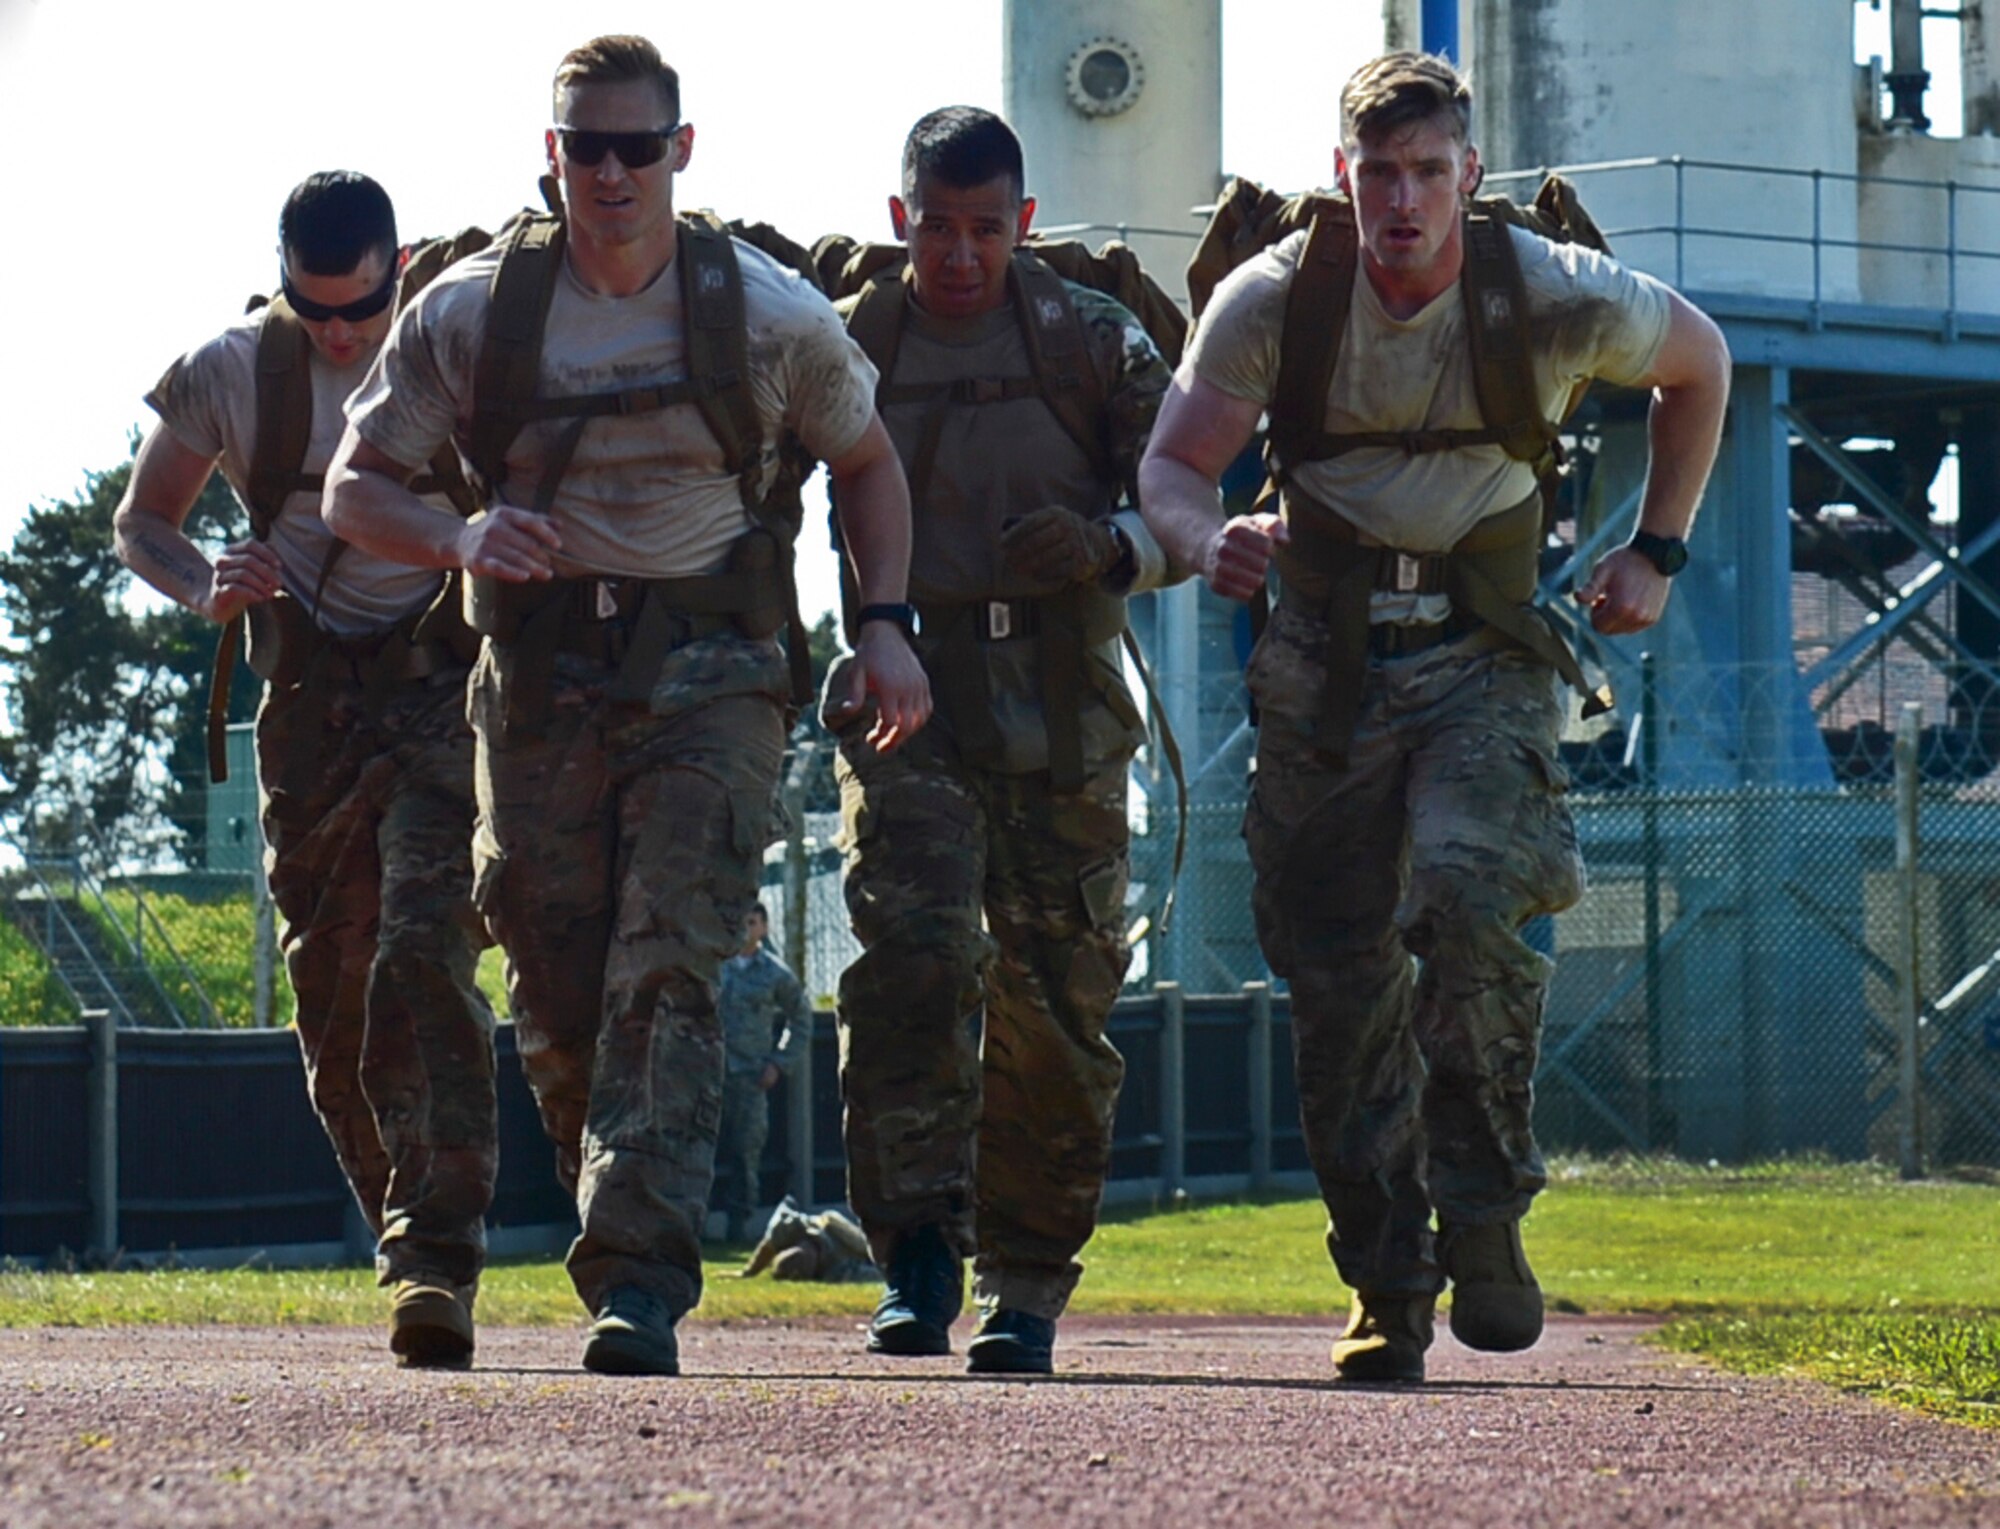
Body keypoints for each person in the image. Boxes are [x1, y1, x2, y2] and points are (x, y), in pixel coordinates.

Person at [323, 34, 929, 1377]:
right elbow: (356, 486)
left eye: (634, 147)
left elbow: (869, 463)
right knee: (556, 987)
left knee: (674, 961)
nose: (609, 171)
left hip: (713, 669)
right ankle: (604, 1197)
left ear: (680, 152)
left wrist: (884, 626)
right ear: (550, 157)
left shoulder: (767, 313)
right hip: (539, 680)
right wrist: (461, 537)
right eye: (583, 146)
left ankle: (639, 1280)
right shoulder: (473, 313)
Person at [1138, 52, 1730, 1383]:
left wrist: (1661, 549)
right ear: (1344, 182)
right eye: (1378, 174)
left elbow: (1703, 364)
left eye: (1426, 172)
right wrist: (1204, 532)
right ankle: (1387, 1285)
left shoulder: (1553, 295)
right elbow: (1175, 461)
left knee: (1471, 898)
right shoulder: (1276, 301)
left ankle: (1485, 1204)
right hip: (1324, 672)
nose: (1403, 200)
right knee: (1340, 986)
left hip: (1485, 654)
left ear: (1468, 174)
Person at [112, 172, 497, 1370]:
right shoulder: (232, 370)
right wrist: (201, 580)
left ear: (401, 266)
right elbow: (144, 520)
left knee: (423, 949)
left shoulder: (461, 342)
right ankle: (403, 1223)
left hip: (444, 678)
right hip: (311, 700)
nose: (339, 333)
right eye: (314, 307)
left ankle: (436, 1250)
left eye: (361, 305)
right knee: (330, 997)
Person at [827, 107, 1177, 1376]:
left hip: (1061, 708)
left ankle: (1024, 1280)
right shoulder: (856, 337)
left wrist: (1108, 545)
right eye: (937, 226)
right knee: (910, 968)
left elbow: (1187, 498)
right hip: (906, 693)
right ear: (899, 219)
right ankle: (916, 1254)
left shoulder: (1091, 340)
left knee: (1053, 1002)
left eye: (985, 229)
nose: (959, 253)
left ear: (1023, 225)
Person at [713, 901, 812, 1243]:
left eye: (752, 922)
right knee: (695, 1151)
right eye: (740, 921)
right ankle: (689, 1229)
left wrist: (779, 1063)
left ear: (763, 928)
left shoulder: (774, 973)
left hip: (750, 1075)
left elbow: (801, 1018)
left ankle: (738, 1228)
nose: (745, 928)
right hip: (708, 1072)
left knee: (746, 1153)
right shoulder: (714, 967)